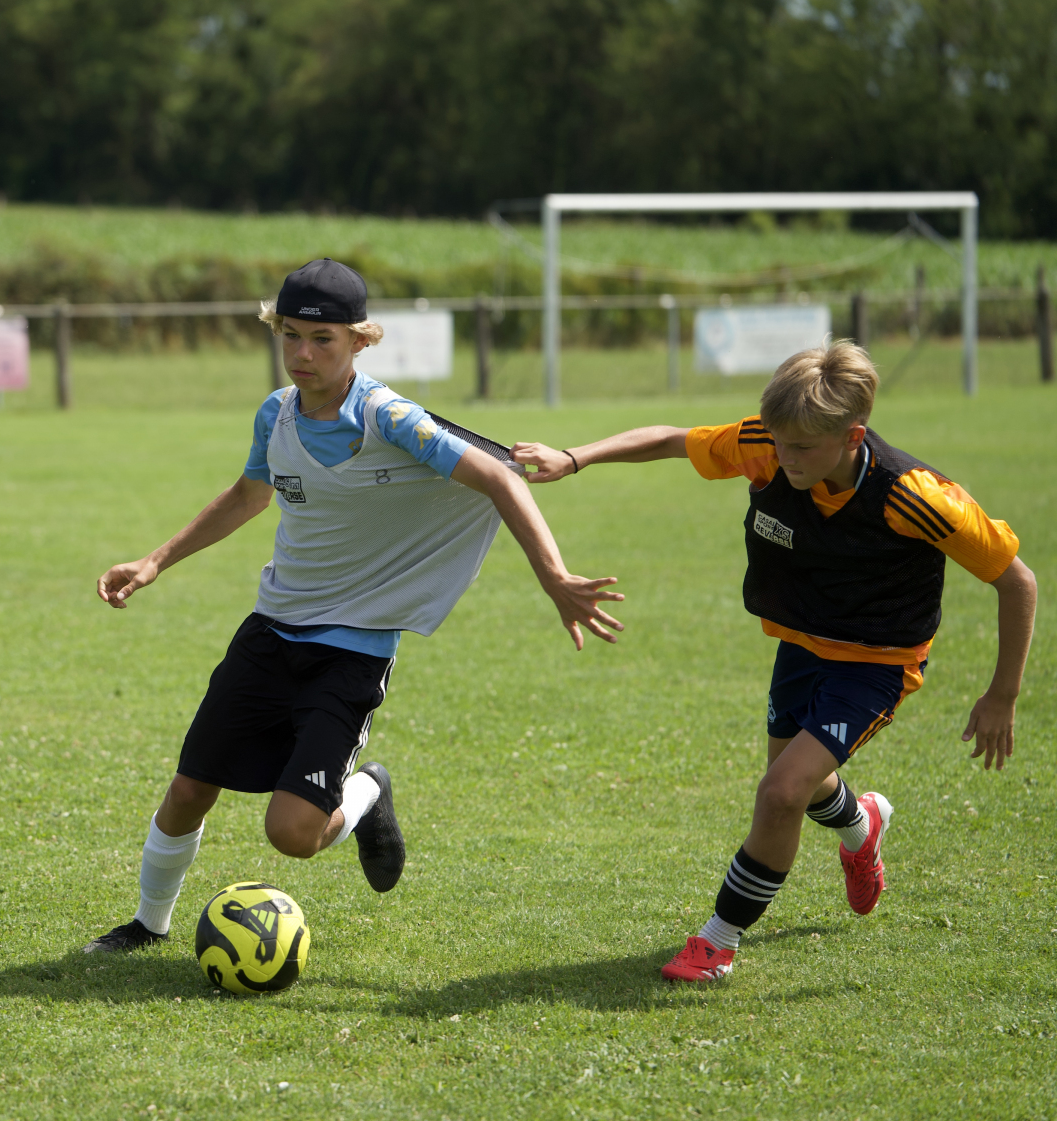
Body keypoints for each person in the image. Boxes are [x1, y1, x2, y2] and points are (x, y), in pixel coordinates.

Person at [84, 258, 624, 953]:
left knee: (292, 834)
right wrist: (155, 560)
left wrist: (554, 576)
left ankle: (367, 794)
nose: (303, 354)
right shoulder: (276, 413)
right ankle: (148, 925)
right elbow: (249, 494)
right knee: (189, 789)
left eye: (323, 339)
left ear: (360, 341)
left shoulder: (387, 417)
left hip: (352, 651)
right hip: (271, 632)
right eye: (290, 335)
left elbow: (499, 477)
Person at [513, 340, 1034, 982]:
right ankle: (863, 825)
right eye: (780, 443)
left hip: (877, 662)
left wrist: (1002, 694)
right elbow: (673, 439)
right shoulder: (769, 443)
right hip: (800, 643)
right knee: (801, 786)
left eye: (803, 449)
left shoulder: (916, 497)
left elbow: (1017, 581)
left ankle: (717, 942)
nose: (785, 459)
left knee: (781, 792)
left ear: (852, 436)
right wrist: (573, 458)